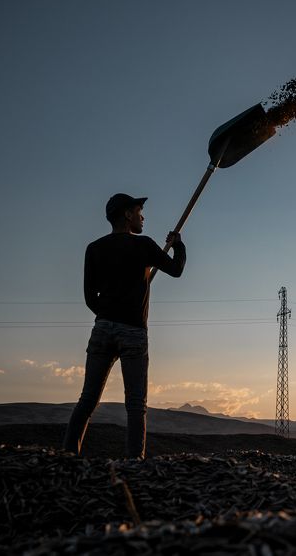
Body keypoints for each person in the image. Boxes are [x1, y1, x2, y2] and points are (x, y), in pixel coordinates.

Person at [63, 193, 186, 459]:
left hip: (102, 329)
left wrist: (109, 314)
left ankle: (68, 457)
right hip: (133, 332)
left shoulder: (94, 248)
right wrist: (178, 245)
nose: (143, 217)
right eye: (139, 211)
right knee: (136, 404)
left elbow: (89, 297)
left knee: (87, 399)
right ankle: (134, 463)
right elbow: (176, 270)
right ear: (128, 215)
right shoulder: (144, 245)